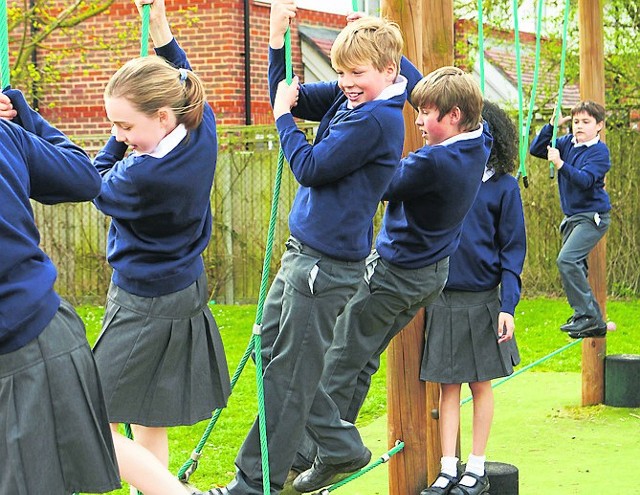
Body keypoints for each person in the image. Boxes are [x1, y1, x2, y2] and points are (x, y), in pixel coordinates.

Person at [204, 2, 408, 494]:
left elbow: (311, 166)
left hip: (325, 267)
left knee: (287, 378)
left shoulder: (377, 120)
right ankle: (340, 446)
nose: (345, 82)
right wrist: (277, 37)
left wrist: (281, 124)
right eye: (339, 73)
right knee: (272, 354)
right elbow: (288, 96)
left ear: (389, 70)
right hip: (303, 254)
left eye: (356, 73)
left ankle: (255, 482)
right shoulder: (354, 100)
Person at [292, 66, 492, 493]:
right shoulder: (480, 138)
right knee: (362, 360)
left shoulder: (433, 163)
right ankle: (331, 441)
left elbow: (376, 180)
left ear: (454, 115)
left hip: (394, 276)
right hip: (431, 275)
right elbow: (427, 90)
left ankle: (315, 453)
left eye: (426, 114)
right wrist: (391, 60)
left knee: (339, 359)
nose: (416, 121)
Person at [90, 0, 230, 489]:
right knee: (149, 414)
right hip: (182, 288)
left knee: (90, 418)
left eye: (125, 126)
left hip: (144, 301)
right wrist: (161, 21)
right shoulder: (199, 126)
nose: (119, 135)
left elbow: (94, 181)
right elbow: (181, 70)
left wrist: (24, 115)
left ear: (164, 116)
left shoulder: (144, 176)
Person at [0, 86, 121, 495]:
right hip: (39, 342)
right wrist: (23, 117)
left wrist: (21, 118)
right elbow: (83, 175)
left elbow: (84, 178)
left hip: (28, 349)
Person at [420, 101, 525, 495]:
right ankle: (449, 468)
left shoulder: (503, 186)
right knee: (447, 386)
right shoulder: (447, 176)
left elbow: (513, 252)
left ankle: (475, 469)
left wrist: (507, 307)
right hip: (442, 297)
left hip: (483, 300)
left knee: (480, 385)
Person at [529, 100, 611, 338]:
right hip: (572, 217)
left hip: (592, 217)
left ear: (599, 126)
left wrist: (560, 164)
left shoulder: (599, 152)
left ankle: (587, 315)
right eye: (576, 121)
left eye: (586, 122)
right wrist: (551, 126)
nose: (579, 126)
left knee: (567, 260)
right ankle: (589, 318)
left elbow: (585, 180)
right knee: (575, 265)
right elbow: (536, 149)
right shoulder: (566, 143)